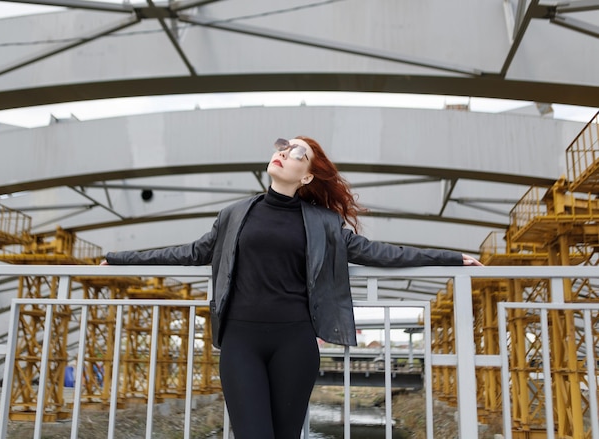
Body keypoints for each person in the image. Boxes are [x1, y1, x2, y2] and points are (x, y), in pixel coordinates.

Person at [102, 136, 483, 438]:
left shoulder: (324, 223)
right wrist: (118, 259)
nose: (284, 152)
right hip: (241, 342)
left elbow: (381, 252)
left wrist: (450, 258)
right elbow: (189, 252)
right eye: (283, 147)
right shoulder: (235, 214)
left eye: (297, 153)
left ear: (307, 178)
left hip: (295, 344)